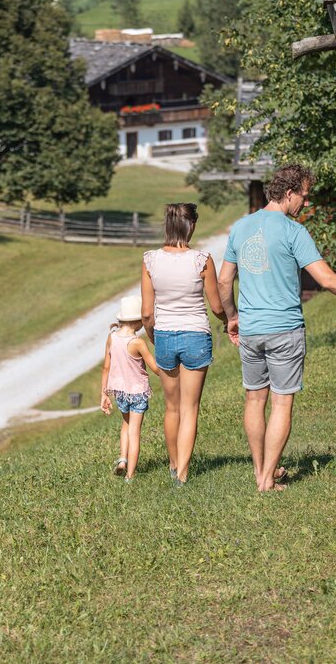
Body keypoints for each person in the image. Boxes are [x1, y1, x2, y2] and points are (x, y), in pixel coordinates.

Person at [217, 164, 336, 492]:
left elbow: (224, 280)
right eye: (304, 196)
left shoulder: (241, 228)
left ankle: (262, 471)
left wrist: (232, 317)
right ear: (289, 194)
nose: (305, 203)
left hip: (252, 330)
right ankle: (265, 480)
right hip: (284, 329)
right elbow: (328, 281)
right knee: (281, 403)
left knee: (254, 400)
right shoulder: (293, 232)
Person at [141, 203, 228, 487]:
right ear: (191, 226)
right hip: (195, 336)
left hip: (165, 335)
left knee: (172, 408)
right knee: (190, 408)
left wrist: (153, 336)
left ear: (167, 226)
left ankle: (173, 463)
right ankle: (183, 475)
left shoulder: (150, 260)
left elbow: (146, 313)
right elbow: (216, 306)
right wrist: (229, 320)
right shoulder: (202, 260)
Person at [100, 295, 162, 483]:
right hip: (137, 392)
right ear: (137, 322)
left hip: (119, 392)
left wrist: (104, 394)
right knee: (135, 432)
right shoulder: (138, 343)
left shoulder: (112, 338)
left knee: (125, 425)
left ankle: (122, 460)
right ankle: (130, 475)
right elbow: (156, 369)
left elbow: (106, 368)